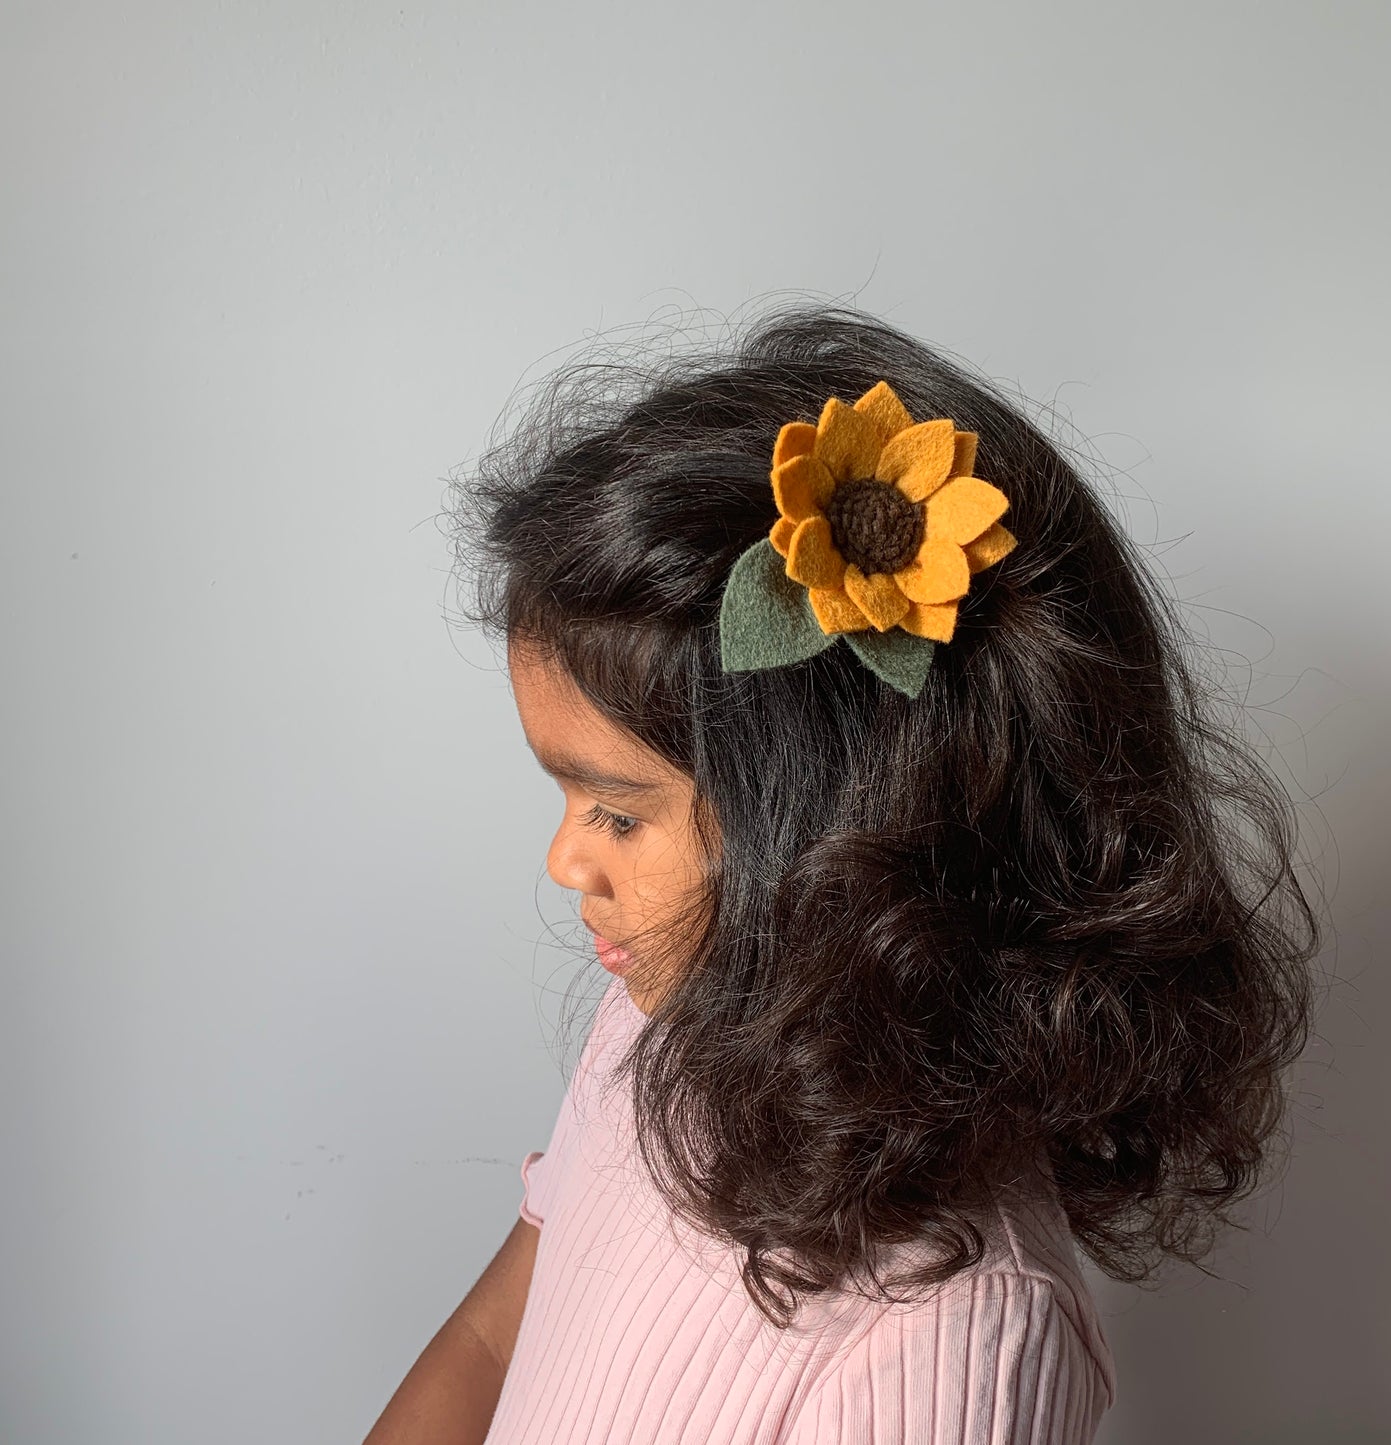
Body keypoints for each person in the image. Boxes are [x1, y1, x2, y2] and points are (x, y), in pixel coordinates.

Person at [363, 302, 1321, 1444]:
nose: (565, 857)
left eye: (617, 811)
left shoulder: (954, 1342)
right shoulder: (662, 1019)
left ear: (840, 845)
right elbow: (494, 1336)